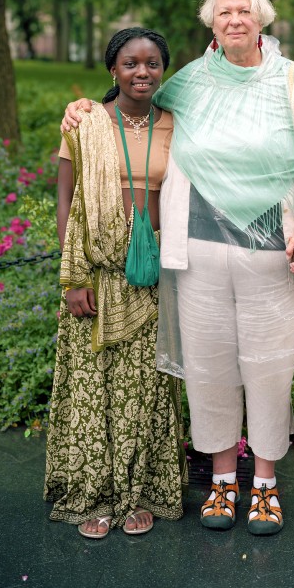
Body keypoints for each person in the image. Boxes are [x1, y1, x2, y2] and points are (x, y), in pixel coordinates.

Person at [61, 0, 294, 536]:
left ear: (261, 17)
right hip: (196, 251)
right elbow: (133, 101)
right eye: (223, 13)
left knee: (265, 370)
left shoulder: (293, 80)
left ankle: (264, 483)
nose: (234, 20)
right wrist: (83, 110)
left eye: (243, 10)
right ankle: (222, 480)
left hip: (270, 253)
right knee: (210, 369)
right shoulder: (190, 81)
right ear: (211, 24)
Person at [45, 27, 186, 540]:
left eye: (152, 64)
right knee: (96, 386)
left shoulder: (174, 124)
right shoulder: (84, 122)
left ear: (163, 70)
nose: (142, 72)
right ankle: (97, 495)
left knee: (147, 387)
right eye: (131, 63)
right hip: (98, 274)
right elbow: (66, 201)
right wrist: (74, 275)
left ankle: (140, 492)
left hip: (153, 274)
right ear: (113, 70)